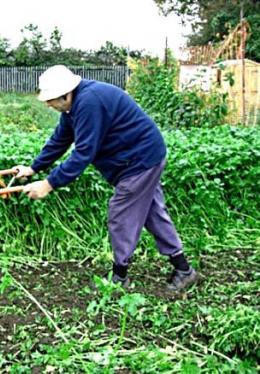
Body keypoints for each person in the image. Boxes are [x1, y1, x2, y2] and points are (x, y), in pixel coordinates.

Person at [14, 65, 198, 291]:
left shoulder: (89, 103)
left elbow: (83, 153)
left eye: (51, 99)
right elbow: (61, 139)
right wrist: (34, 168)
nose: (47, 104)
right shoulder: (73, 107)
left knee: (120, 215)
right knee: (152, 213)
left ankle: (119, 277)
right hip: (140, 158)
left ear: (66, 94)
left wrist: (49, 184)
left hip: (139, 161)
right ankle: (183, 269)